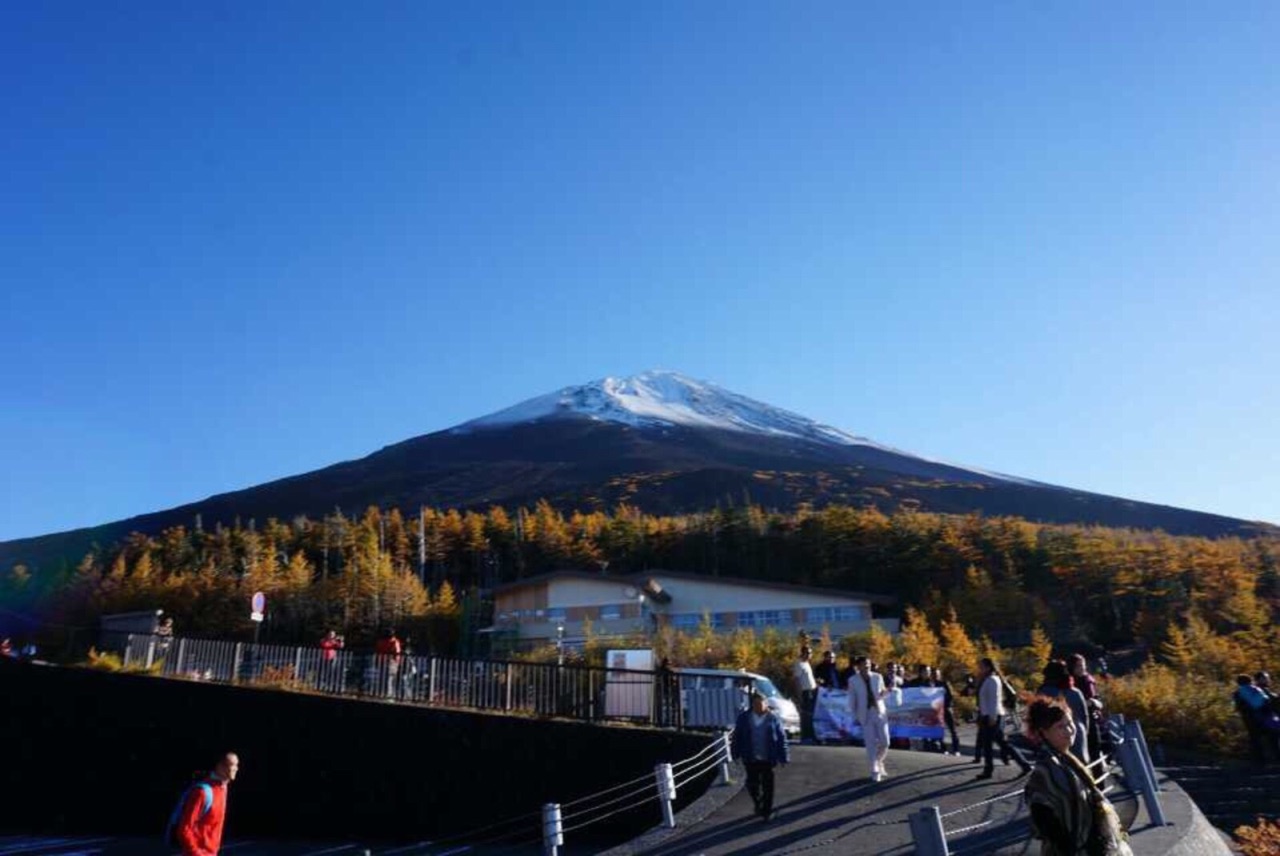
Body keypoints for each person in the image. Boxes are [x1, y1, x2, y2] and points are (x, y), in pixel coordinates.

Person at [1024, 698, 1132, 855]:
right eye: (1060, 726)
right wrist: (1066, 845)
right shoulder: (1045, 769)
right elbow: (1041, 813)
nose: (1069, 730)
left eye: (1070, 723)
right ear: (1044, 732)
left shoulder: (1066, 759)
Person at [731, 690, 789, 822]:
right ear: (752, 704)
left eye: (761, 703)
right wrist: (735, 754)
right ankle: (758, 803)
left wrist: (783, 756)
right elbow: (737, 737)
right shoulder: (744, 718)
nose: (758, 706)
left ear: (766, 703)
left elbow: (781, 738)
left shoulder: (773, 718)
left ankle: (766, 811)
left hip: (768, 757)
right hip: (750, 756)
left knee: (768, 785)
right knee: (753, 784)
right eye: (755, 703)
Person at [170, 752, 240, 856]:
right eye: (232, 764)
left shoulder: (223, 788)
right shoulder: (202, 792)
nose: (236, 768)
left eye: (237, 764)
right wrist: (197, 853)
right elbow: (184, 829)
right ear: (219, 766)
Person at [976, 657, 1032, 780]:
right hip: (990, 715)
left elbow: (994, 700)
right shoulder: (988, 679)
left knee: (991, 744)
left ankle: (988, 770)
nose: (979, 668)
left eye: (981, 666)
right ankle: (1024, 765)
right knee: (1002, 743)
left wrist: (992, 716)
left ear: (988, 667)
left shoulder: (991, 680)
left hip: (992, 716)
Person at [1037, 660, 1091, 765]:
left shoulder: (1044, 692)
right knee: (1080, 765)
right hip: (1077, 731)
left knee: (1058, 766)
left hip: (1053, 733)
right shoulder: (1075, 692)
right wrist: (1084, 731)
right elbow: (1084, 716)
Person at [849, 656, 891, 782]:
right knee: (870, 743)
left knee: (885, 742)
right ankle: (874, 769)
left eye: (868, 664)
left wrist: (887, 692)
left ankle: (879, 761)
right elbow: (852, 699)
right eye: (863, 664)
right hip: (865, 713)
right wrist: (854, 716)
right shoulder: (853, 680)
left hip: (879, 711)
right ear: (858, 666)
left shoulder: (877, 677)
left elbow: (882, 692)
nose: (867, 666)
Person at [793, 646, 818, 744]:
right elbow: (797, 680)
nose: (809, 655)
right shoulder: (799, 664)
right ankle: (805, 737)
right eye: (807, 653)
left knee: (811, 715)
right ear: (802, 653)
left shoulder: (807, 664)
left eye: (810, 653)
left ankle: (811, 736)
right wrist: (799, 695)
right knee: (806, 715)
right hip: (805, 692)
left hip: (812, 691)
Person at [655, 657, 682, 727]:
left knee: (661, 707)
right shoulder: (669, 671)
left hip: (661, 691)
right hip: (667, 690)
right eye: (668, 664)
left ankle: (660, 722)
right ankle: (669, 722)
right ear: (666, 664)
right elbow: (673, 680)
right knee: (669, 707)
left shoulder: (659, 670)